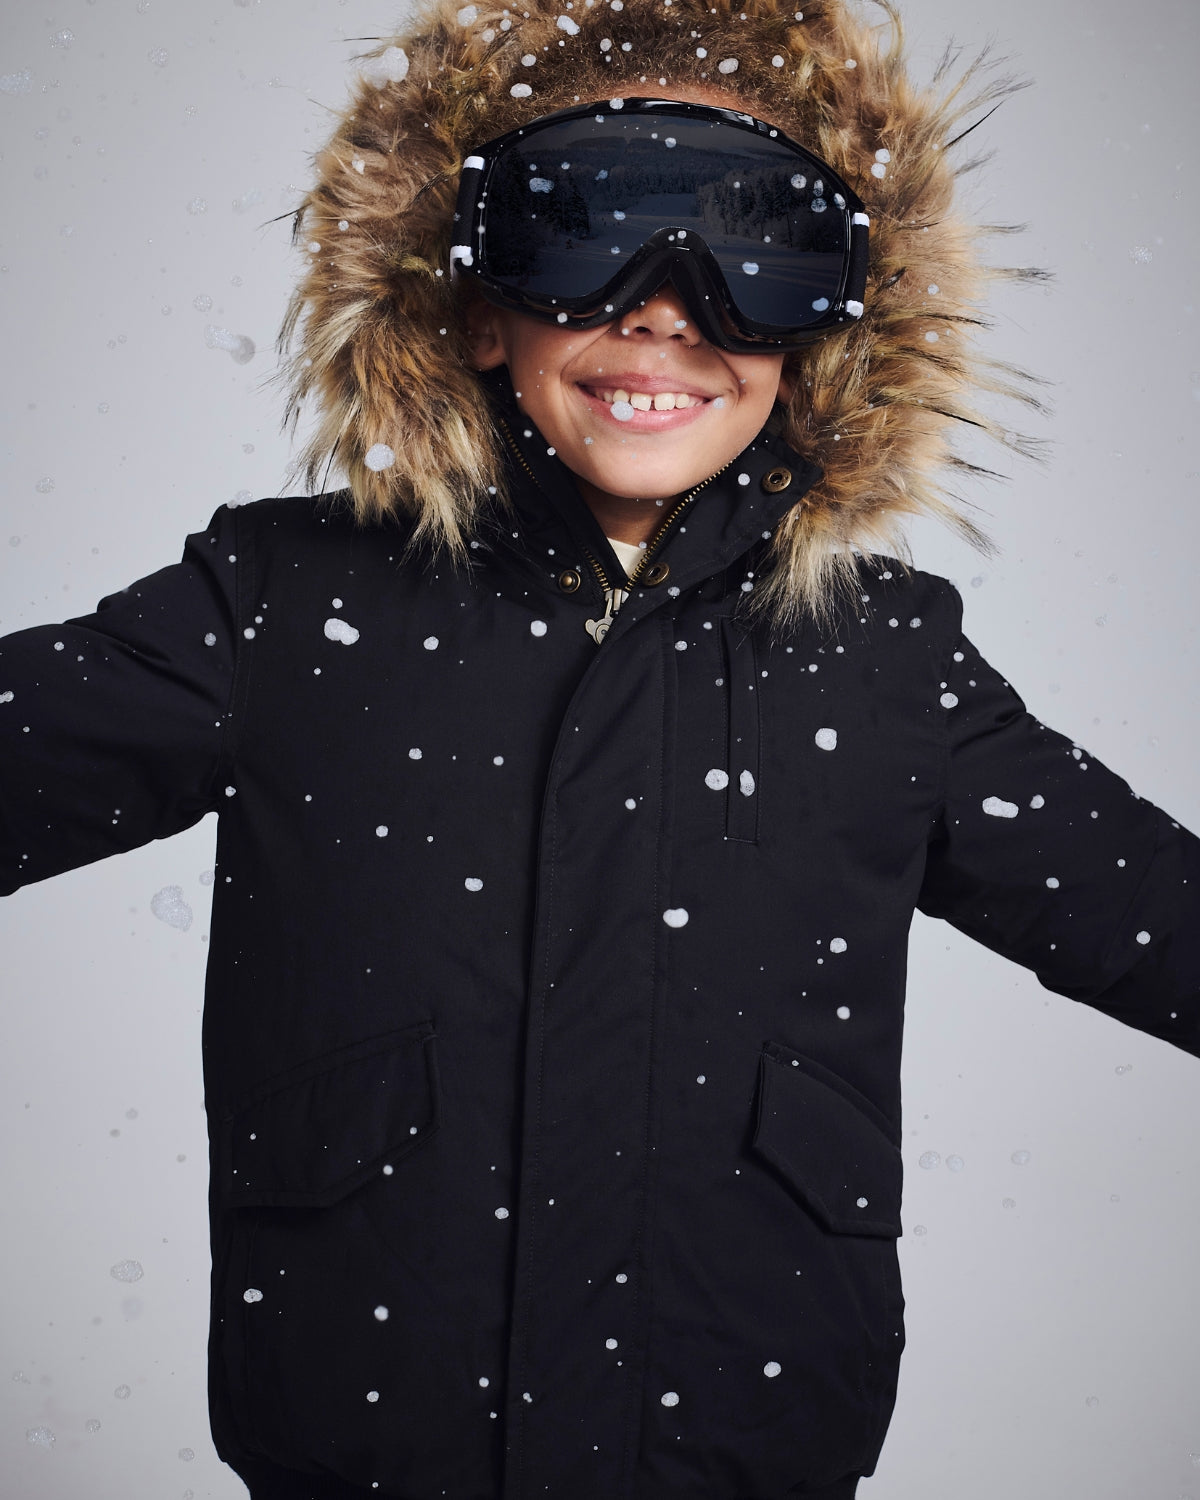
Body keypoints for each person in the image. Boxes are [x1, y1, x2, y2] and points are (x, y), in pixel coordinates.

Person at [1, 0, 1196, 1496]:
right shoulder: (286, 610)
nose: (665, 311)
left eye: (757, 246)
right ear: (472, 302)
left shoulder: (882, 659)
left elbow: (1161, 920)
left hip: (738, 1458)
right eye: (586, 231)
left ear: (832, 326)